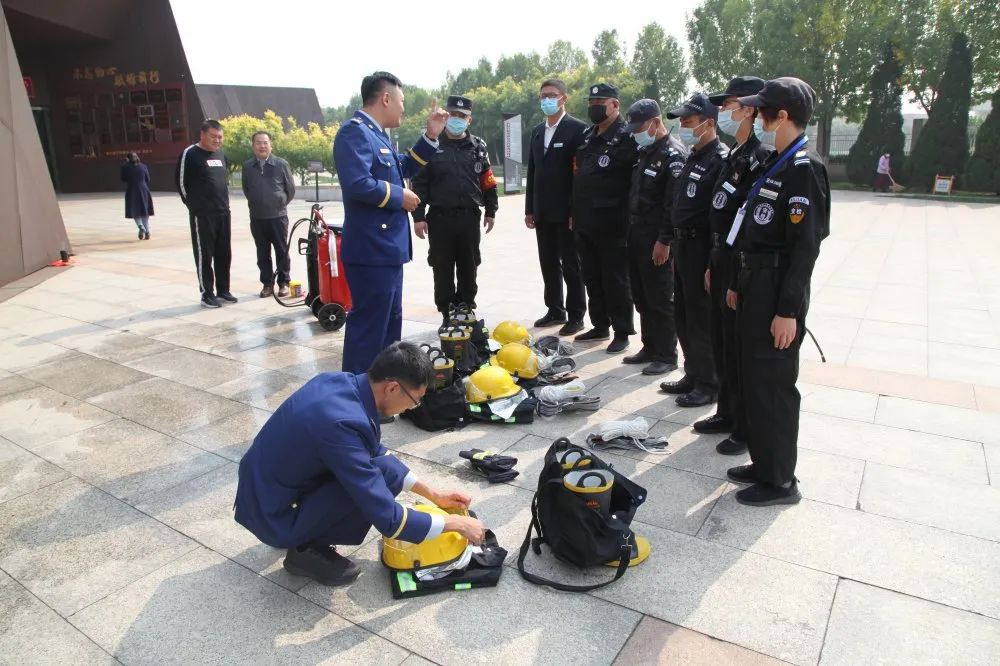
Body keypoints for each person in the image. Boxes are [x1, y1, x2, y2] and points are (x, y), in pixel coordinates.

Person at [234, 342, 486, 586]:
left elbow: (374, 451)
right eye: (415, 400)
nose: (412, 407)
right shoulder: (340, 424)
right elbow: (390, 519)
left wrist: (434, 494)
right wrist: (458, 524)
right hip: (274, 516)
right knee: (371, 487)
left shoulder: (338, 382)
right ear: (392, 388)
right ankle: (305, 549)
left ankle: (304, 531)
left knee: (380, 471)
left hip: (263, 494)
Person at [724, 77, 831, 506]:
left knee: (774, 384)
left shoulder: (805, 168)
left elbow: (805, 249)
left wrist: (788, 310)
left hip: (777, 290)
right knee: (754, 377)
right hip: (755, 281)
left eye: (762, 111)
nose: (757, 117)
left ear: (782, 115)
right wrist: (738, 282)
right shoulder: (778, 161)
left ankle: (781, 480)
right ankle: (764, 461)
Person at [333, 71, 448, 376]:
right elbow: (357, 183)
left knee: (388, 325)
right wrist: (400, 197)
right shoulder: (354, 132)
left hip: (386, 250)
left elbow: (404, 165)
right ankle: (357, 394)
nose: (403, 108)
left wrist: (432, 135)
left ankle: (383, 391)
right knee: (369, 328)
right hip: (371, 251)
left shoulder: (377, 135)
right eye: (401, 101)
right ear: (385, 98)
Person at [698, 76, 773, 453]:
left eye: (728, 106)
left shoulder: (759, 155)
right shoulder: (733, 153)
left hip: (740, 261)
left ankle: (744, 426)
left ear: (749, 110)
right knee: (722, 340)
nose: (723, 112)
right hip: (720, 255)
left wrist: (736, 275)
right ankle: (726, 411)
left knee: (740, 346)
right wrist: (714, 263)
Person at [659, 93, 728, 407]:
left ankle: (709, 382)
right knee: (684, 315)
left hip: (702, 247)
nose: (684, 127)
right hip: (683, 246)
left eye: (688, 122)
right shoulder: (692, 156)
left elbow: (720, 216)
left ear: (709, 123)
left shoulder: (720, 159)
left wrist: (712, 262)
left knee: (701, 318)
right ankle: (692, 372)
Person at [412, 95, 498, 326]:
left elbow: (487, 181)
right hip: (440, 218)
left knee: (469, 266)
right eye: (453, 115)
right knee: (442, 267)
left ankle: (466, 307)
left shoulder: (478, 147)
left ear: (469, 120)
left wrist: (491, 210)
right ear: (446, 116)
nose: (457, 119)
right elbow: (419, 183)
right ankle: (446, 311)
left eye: (462, 116)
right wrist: (418, 217)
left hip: (469, 218)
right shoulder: (431, 144)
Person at [622, 99, 688, 375]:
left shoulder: (674, 155)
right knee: (641, 294)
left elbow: (672, 205)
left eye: (640, 127)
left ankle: (666, 354)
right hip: (637, 234)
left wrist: (665, 241)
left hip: (657, 239)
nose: (636, 132)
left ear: (656, 123)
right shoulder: (646, 151)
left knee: (660, 297)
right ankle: (649, 346)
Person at [571, 83, 638, 354]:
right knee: (591, 276)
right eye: (591, 102)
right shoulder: (588, 136)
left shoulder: (626, 136)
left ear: (615, 105)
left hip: (613, 223)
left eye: (600, 102)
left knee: (615, 279)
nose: (594, 106)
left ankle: (622, 330)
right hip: (586, 220)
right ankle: (600, 325)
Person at [525, 79, 588, 336]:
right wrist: (530, 208)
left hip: (566, 212)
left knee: (572, 264)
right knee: (548, 262)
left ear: (564, 98)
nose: (546, 100)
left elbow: (580, 176)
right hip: (542, 211)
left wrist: (576, 210)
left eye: (552, 95)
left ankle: (576, 315)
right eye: (543, 96)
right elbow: (533, 171)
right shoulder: (538, 131)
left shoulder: (577, 130)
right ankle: (555, 309)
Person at [175, 119, 237, 308]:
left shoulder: (220, 154)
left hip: (223, 213)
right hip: (202, 215)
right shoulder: (190, 154)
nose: (217, 140)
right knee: (205, 255)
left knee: (224, 253)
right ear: (202, 134)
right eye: (213, 136)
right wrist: (195, 207)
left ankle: (223, 290)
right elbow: (181, 183)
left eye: (220, 137)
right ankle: (207, 294)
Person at [242, 131, 295, 298]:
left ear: (271, 145)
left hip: (278, 217)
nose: (262, 146)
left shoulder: (281, 164)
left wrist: (279, 202)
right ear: (253, 146)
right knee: (262, 252)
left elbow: (290, 190)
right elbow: (246, 189)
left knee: (281, 251)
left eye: (265, 142)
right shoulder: (248, 166)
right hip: (257, 217)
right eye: (258, 143)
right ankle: (267, 284)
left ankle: (283, 283)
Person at [121, 151, 153, 240]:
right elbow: (148, 179)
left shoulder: (125, 167)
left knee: (135, 211)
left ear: (128, 159)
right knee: (145, 212)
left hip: (132, 190)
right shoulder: (143, 166)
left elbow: (123, 179)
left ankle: (141, 226)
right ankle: (147, 231)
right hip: (144, 190)